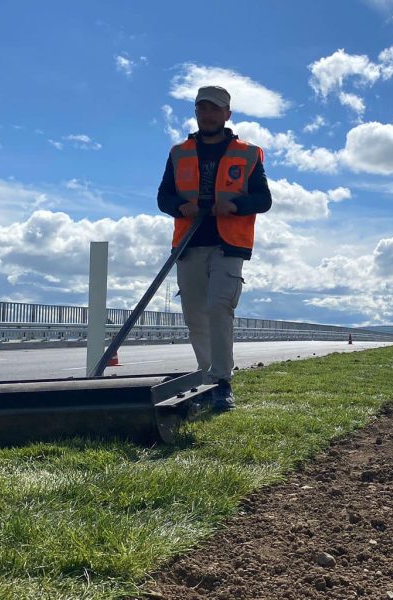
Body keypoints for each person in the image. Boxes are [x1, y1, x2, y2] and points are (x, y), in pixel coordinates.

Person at [157, 85, 272, 411]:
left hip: (228, 245)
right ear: (196, 112)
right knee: (195, 315)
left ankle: (222, 382)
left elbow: (263, 200)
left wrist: (234, 205)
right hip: (190, 244)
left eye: (214, 109)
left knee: (219, 308)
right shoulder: (179, 153)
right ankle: (207, 377)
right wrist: (182, 207)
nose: (208, 114)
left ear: (227, 114)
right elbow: (163, 197)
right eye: (202, 108)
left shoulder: (248, 154)